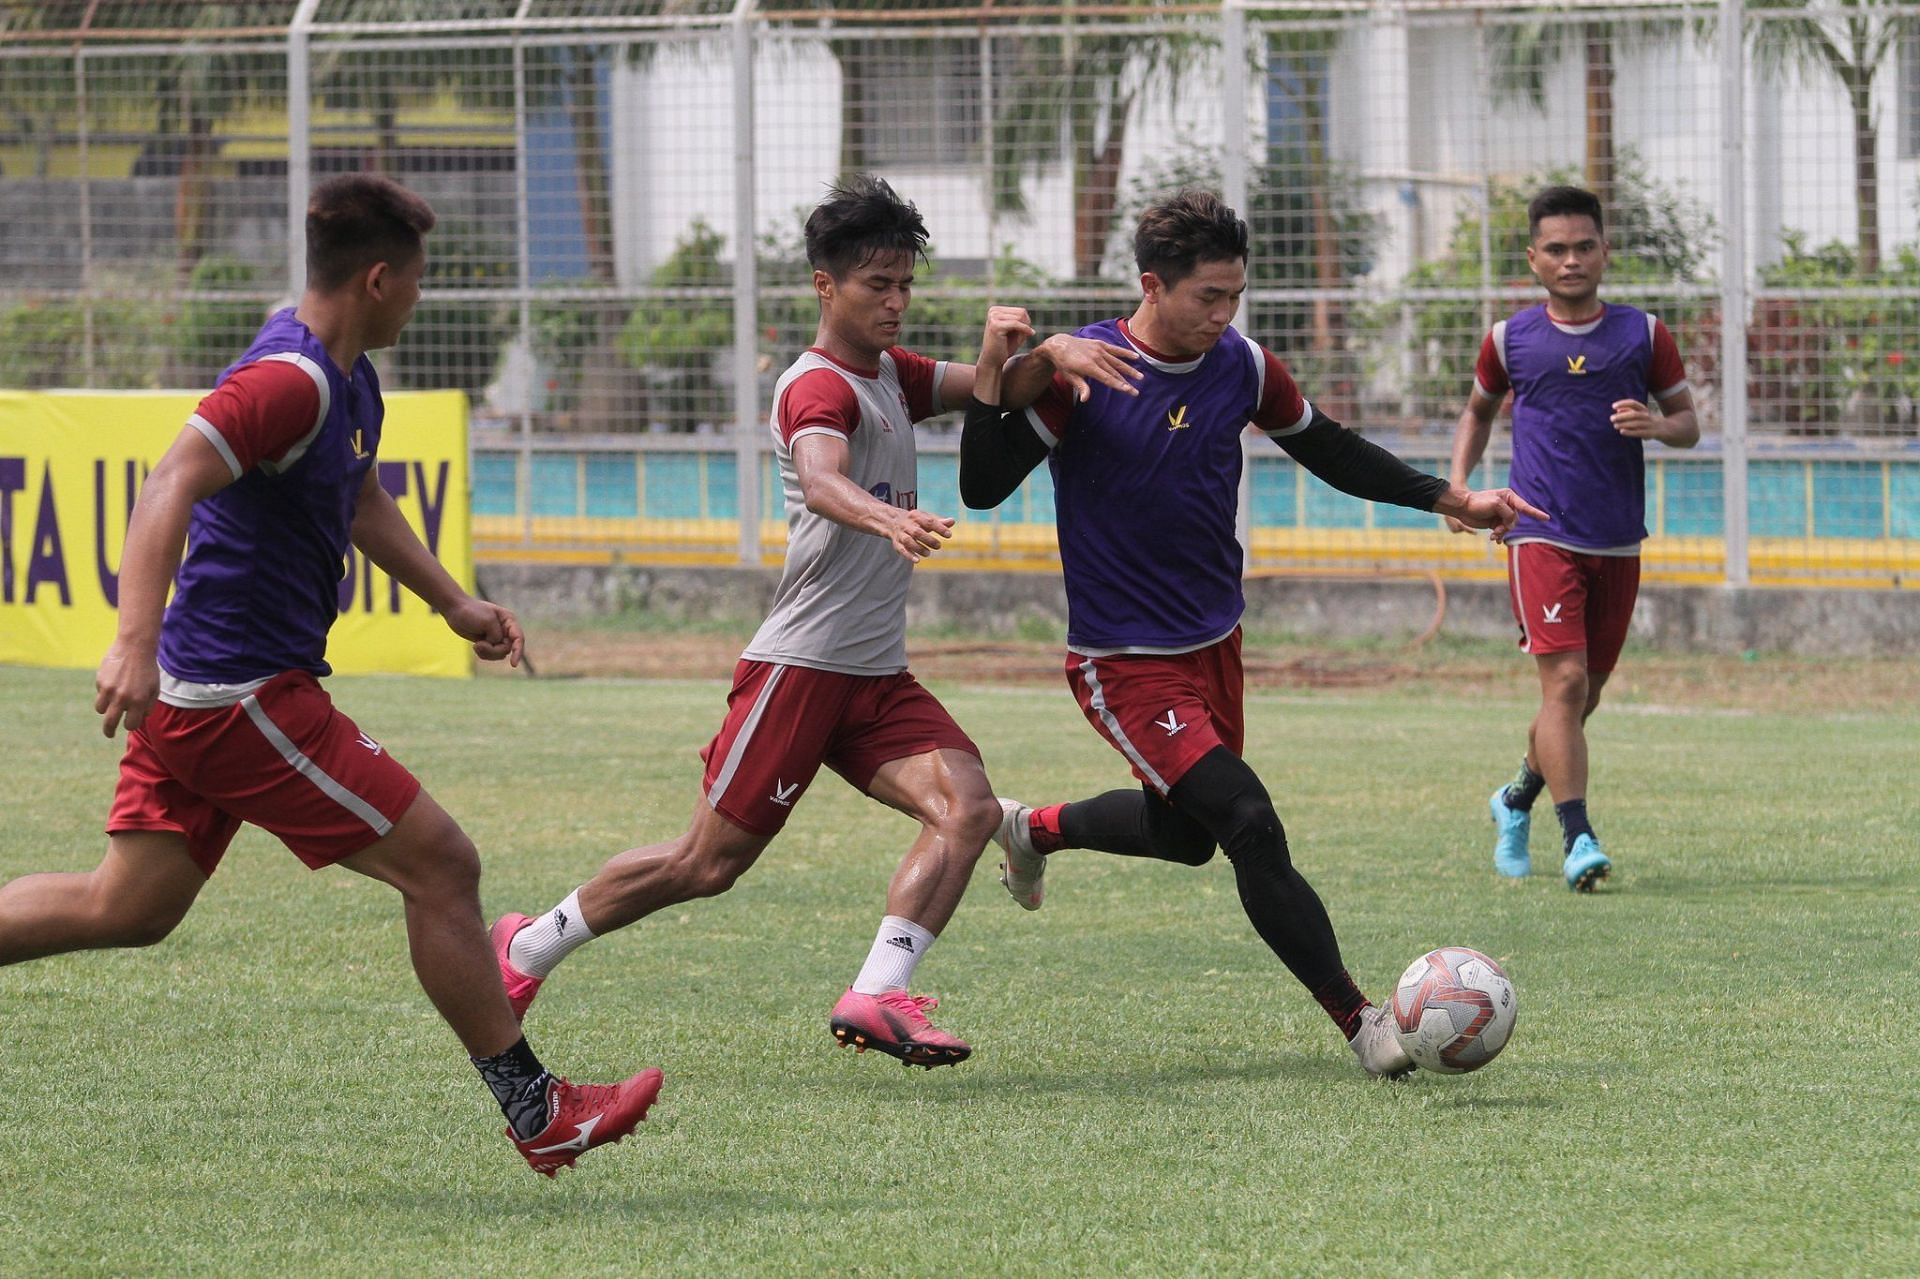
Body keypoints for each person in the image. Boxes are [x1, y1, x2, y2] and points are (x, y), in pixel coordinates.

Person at [0, 174, 661, 1177]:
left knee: (126, 908)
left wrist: (452, 600)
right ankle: (539, 1111)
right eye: (419, 282)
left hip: (215, 694)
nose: (423, 300)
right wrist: (132, 639)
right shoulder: (292, 379)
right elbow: (169, 477)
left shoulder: (347, 381)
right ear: (381, 279)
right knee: (443, 864)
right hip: (240, 696)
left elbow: (353, 494)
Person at [490, 174, 1136, 1068]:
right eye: (878, 284)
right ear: (826, 285)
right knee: (706, 865)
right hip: (801, 667)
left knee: (969, 806)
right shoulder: (814, 386)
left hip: (874, 674)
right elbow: (824, 476)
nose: (897, 302)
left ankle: (877, 993)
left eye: (906, 284)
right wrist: (887, 514)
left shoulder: (892, 376)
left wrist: (1045, 350)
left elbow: (999, 389)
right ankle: (527, 946)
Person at [957, 189, 1547, 1078]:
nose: (1224, 315)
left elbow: (1330, 448)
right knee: (1247, 819)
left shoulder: (1240, 364)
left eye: (1236, 295)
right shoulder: (1083, 369)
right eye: (1208, 297)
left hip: (1214, 646)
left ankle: (1030, 829)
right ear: (1152, 286)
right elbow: (979, 484)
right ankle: (1364, 1023)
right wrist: (1006, 367)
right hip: (1123, 662)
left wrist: (1448, 496)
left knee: (1189, 835)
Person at [1446, 185, 1698, 891]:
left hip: (1617, 540)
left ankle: (1515, 797)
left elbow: (1688, 423)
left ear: (1604, 252)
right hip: (1538, 533)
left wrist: (1659, 426)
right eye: (1556, 248)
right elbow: (1476, 413)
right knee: (1564, 681)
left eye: (1584, 245)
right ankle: (1578, 836)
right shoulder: (1509, 339)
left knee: (1579, 700)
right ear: (1534, 258)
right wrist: (1461, 487)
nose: (1571, 259)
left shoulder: (1643, 335)